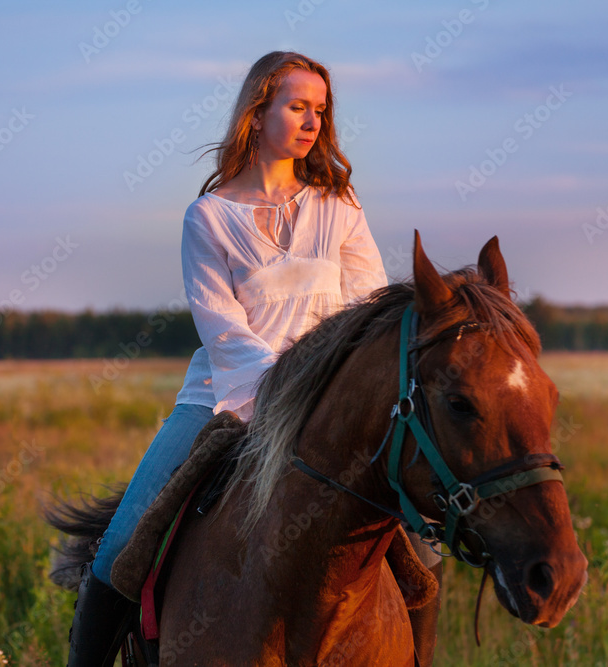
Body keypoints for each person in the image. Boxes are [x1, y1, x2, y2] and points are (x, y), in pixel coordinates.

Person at [66, 50, 441, 667]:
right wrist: (284, 393)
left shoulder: (339, 208)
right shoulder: (207, 217)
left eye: (320, 110)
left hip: (326, 404)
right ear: (256, 112)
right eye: (297, 106)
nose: (312, 122)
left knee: (420, 556)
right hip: (224, 398)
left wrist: (331, 395)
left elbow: (367, 311)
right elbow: (224, 329)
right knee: (118, 549)